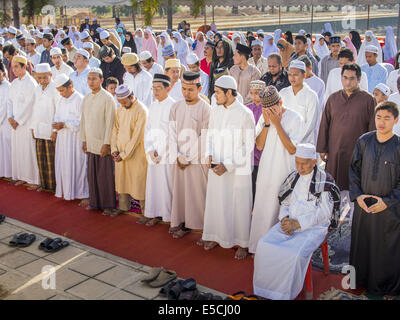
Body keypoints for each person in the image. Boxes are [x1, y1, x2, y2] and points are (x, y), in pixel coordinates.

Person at [254, 143, 340, 300]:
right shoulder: (293, 177)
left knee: (294, 254)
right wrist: (285, 219)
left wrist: (299, 223)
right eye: (297, 162)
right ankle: (266, 290)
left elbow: (324, 214)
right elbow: (285, 202)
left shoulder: (324, 181)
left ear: (314, 162)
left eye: (304, 163)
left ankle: (284, 294)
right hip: (289, 224)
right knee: (264, 244)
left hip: (313, 228)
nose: (300, 167)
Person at [349, 101, 400, 300]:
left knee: (387, 248)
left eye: (387, 118)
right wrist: (358, 195)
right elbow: (353, 169)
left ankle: (389, 288)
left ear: (396, 120)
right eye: (379, 117)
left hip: (390, 210)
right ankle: (358, 280)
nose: (382, 122)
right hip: (364, 206)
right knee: (362, 243)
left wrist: (388, 202)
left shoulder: (398, 146)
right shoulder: (364, 141)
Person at [201, 75, 255, 259]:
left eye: (217, 92)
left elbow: (247, 146)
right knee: (217, 201)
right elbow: (210, 134)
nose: (214, 96)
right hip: (217, 166)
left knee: (238, 205)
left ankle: (242, 243)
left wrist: (228, 165)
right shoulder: (215, 110)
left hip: (237, 170)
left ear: (229, 92)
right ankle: (216, 235)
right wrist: (208, 153)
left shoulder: (245, 114)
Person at [249, 85, 304, 254]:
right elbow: (259, 144)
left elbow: (292, 149)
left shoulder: (295, 118)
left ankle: (277, 251)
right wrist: (267, 124)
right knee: (263, 207)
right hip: (266, 170)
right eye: (266, 110)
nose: (270, 113)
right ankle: (258, 247)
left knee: (280, 209)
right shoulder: (265, 118)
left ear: (280, 102)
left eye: (273, 109)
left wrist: (277, 124)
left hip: (285, 172)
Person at [317, 63, 376, 219]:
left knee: (354, 187)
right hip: (335, 150)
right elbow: (325, 124)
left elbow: (372, 129)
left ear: (359, 79)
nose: (348, 82)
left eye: (352, 79)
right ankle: (331, 220)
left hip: (357, 154)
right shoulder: (333, 98)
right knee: (333, 188)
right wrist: (323, 148)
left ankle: (353, 222)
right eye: (345, 78)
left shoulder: (368, 100)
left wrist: (369, 154)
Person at [169, 71, 211, 239]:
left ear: (200, 88)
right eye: (184, 89)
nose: (186, 93)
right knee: (180, 194)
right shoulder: (176, 106)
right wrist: (178, 156)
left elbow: (205, 136)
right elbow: (170, 133)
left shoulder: (206, 109)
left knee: (197, 195)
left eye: (191, 89)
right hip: (178, 159)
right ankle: (183, 222)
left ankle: (200, 226)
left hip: (196, 160)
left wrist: (188, 157)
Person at [79, 68, 116, 215]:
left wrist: (106, 143)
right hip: (90, 141)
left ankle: (107, 205)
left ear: (101, 80)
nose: (91, 82)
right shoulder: (87, 98)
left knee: (104, 176)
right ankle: (95, 202)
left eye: (94, 79)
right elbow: (83, 120)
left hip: (102, 143)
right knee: (92, 175)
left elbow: (110, 122)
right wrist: (83, 140)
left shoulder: (107, 98)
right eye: (89, 79)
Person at [143, 74, 175, 226]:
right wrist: (150, 149)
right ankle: (154, 213)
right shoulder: (153, 105)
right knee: (154, 185)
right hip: (153, 152)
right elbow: (148, 129)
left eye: (158, 88)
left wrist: (162, 151)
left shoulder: (173, 106)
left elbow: (174, 132)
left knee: (166, 185)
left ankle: (168, 216)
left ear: (167, 88)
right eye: (153, 89)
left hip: (167, 154)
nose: (155, 92)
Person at [111, 84, 148, 217]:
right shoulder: (120, 109)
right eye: (120, 102)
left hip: (136, 154)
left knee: (139, 182)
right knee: (122, 181)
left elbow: (137, 136)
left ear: (131, 97)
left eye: (124, 102)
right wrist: (114, 150)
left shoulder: (142, 110)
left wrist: (124, 154)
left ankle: (146, 212)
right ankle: (123, 206)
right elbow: (115, 129)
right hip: (120, 152)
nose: (122, 104)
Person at [52, 74, 89, 204]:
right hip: (63, 138)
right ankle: (67, 191)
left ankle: (82, 193)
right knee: (64, 163)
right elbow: (57, 116)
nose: (61, 93)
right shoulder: (61, 100)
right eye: (59, 91)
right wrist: (56, 129)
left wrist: (65, 124)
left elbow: (81, 121)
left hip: (75, 139)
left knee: (78, 165)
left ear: (70, 87)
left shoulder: (79, 99)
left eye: (62, 90)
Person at [8, 56, 40, 189]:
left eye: (16, 66)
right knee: (18, 150)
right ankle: (21, 176)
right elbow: (10, 101)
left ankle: (33, 179)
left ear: (23, 67)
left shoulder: (30, 83)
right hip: (15, 123)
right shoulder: (14, 83)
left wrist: (18, 120)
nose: (13, 70)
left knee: (28, 150)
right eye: (12, 67)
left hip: (26, 123)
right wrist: (10, 117)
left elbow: (30, 104)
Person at [30, 63, 59, 192]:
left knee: (51, 159)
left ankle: (53, 186)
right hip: (38, 129)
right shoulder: (37, 88)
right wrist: (32, 127)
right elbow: (34, 109)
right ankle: (44, 184)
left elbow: (58, 110)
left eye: (45, 78)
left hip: (50, 130)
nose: (42, 80)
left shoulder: (55, 89)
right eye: (39, 78)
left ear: (50, 75)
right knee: (41, 159)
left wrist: (55, 130)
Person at [280, 60, 319, 144]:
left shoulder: (311, 96)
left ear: (304, 75)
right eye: (290, 74)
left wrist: (295, 142)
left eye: (296, 75)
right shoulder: (283, 93)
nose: (292, 78)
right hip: (283, 141)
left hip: (303, 144)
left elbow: (310, 124)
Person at [246, 80, 266, 203]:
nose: (254, 96)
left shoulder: (267, 109)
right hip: (249, 153)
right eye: (252, 93)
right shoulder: (247, 108)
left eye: (257, 93)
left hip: (262, 152)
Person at [297, 55, 325, 137]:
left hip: (313, 118)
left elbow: (319, 104)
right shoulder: (297, 81)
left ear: (310, 67)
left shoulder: (319, 83)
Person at [0, 61, 12, 179]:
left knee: (7, 148)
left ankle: (8, 174)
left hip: (5, 122)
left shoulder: (8, 86)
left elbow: (5, 106)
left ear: (3, 73)